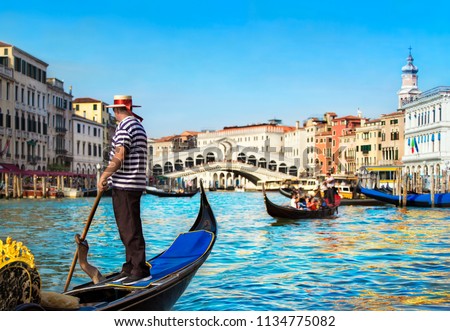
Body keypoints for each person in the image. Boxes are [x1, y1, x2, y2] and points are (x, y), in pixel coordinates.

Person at [97, 95, 150, 286]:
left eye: (113, 111)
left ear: (117, 110)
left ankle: (139, 269)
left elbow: (120, 154)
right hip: (132, 183)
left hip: (125, 184)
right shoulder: (137, 125)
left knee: (129, 227)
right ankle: (130, 266)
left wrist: (104, 176)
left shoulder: (125, 126)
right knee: (127, 226)